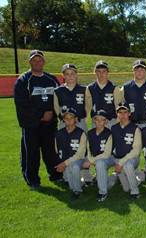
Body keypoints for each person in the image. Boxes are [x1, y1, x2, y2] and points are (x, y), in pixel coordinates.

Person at [14, 50, 62, 190]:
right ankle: (33, 181)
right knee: (31, 153)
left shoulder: (51, 79)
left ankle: (56, 175)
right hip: (31, 125)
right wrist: (41, 115)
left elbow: (59, 99)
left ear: (44, 62)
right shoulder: (23, 80)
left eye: (39, 60)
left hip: (50, 124)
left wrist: (52, 114)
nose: (37, 63)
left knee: (51, 152)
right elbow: (23, 104)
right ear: (29, 62)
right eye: (34, 60)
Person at [121, 59, 146, 183]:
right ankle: (135, 174)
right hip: (132, 124)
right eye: (136, 69)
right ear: (133, 71)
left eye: (142, 69)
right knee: (132, 150)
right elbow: (121, 106)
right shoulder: (126, 87)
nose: (139, 71)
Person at [53, 64, 92, 184]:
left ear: (76, 75)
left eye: (72, 73)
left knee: (84, 149)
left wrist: (84, 118)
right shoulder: (58, 91)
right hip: (65, 124)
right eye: (67, 74)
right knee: (65, 148)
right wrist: (64, 120)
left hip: (80, 122)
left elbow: (88, 105)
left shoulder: (83, 89)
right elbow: (56, 107)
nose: (70, 76)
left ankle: (87, 176)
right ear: (63, 76)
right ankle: (67, 175)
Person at [110, 102, 143, 200]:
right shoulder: (114, 128)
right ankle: (139, 178)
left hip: (132, 159)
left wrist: (120, 163)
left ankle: (135, 192)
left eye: (125, 112)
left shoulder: (135, 128)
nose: (123, 115)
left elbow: (136, 150)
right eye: (120, 112)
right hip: (118, 158)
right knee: (125, 188)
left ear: (129, 113)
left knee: (128, 166)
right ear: (117, 114)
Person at [54, 108, 87, 199]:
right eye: (66, 118)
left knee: (74, 166)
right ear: (63, 120)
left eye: (71, 118)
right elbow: (57, 151)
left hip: (80, 160)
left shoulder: (81, 133)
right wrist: (61, 163)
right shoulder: (59, 133)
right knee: (71, 186)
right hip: (66, 161)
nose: (69, 121)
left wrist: (65, 163)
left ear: (76, 119)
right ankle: (78, 183)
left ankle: (78, 191)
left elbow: (80, 154)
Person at [83, 110, 114, 202]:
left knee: (100, 163)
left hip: (110, 159)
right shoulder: (90, 133)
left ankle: (103, 193)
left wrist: (91, 161)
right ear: (93, 120)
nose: (99, 122)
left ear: (106, 121)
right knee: (102, 177)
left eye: (102, 120)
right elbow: (87, 149)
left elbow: (107, 154)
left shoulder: (109, 133)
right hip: (96, 158)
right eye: (97, 120)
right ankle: (113, 177)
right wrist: (88, 159)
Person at [86, 60, 121, 129]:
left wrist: (116, 119)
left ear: (108, 72)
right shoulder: (90, 88)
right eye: (99, 71)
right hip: (96, 122)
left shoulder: (114, 88)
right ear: (95, 72)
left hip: (110, 121)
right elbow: (88, 106)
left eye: (104, 71)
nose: (101, 74)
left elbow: (118, 106)